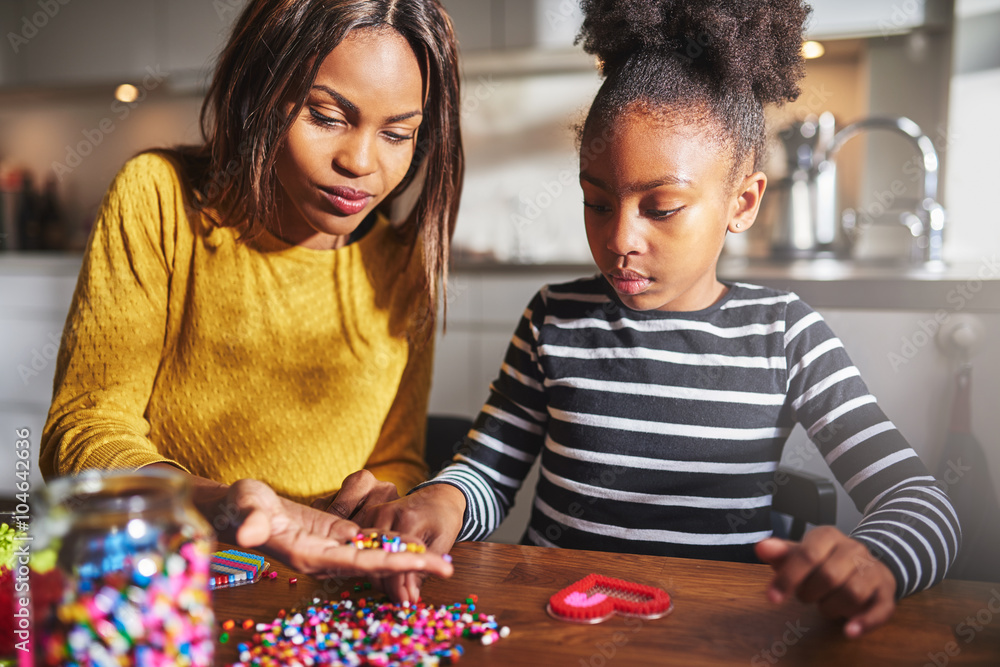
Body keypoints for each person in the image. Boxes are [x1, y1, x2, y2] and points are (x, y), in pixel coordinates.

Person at [337, 0, 962, 635]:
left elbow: (923, 505)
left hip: (715, 637)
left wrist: (875, 560)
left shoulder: (783, 335)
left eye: (661, 208)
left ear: (741, 202)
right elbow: (489, 474)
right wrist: (442, 498)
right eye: (597, 202)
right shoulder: (554, 318)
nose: (619, 239)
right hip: (552, 630)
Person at [39, 0, 463, 594]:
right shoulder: (159, 199)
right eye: (326, 116)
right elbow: (82, 430)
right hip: (166, 580)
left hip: (319, 587)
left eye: (397, 134)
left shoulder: (400, 265)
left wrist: (381, 504)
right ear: (258, 91)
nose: (361, 162)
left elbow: (398, 457)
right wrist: (219, 506)